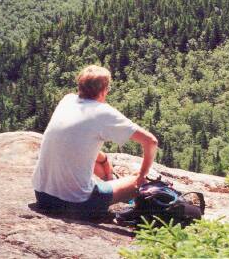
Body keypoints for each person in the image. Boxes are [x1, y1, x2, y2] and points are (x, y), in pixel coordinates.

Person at [32, 65, 158, 218]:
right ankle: (114, 193)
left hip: (42, 195)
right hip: (76, 204)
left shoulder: (67, 100)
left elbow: (74, 143)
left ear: (79, 86)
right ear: (105, 90)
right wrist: (141, 175)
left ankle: (108, 182)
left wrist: (104, 160)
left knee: (100, 164)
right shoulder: (103, 112)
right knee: (138, 182)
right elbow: (151, 142)